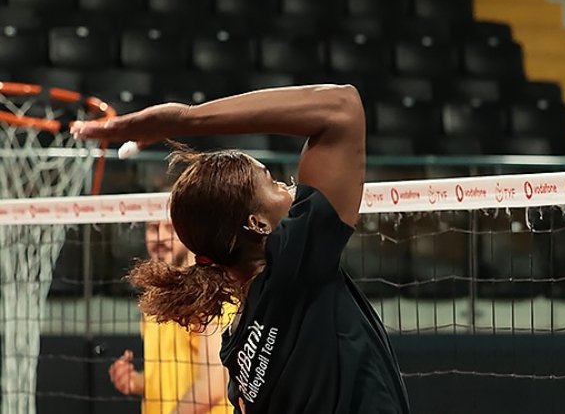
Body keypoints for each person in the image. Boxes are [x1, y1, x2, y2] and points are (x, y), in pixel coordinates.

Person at [73, 84, 410, 414]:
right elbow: (342, 106)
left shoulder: (236, 347)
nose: (289, 186)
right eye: (274, 183)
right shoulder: (293, 266)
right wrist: (186, 119)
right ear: (258, 224)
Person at [109, 219, 234, 414]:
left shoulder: (207, 295)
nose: (160, 237)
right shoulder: (155, 298)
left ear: (188, 234)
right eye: (153, 228)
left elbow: (212, 387)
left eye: (170, 228)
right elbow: (169, 379)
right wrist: (136, 382)